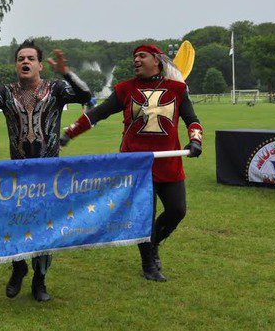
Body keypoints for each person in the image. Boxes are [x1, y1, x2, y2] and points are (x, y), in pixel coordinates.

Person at [60, 44, 203, 282]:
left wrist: (195, 141)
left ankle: (153, 243)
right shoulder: (125, 89)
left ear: (157, 60)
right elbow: (98, 113)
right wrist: (70, 133)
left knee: (177, 211)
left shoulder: (177, 89)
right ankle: (148, 264)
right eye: (134, 57)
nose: (136, 60)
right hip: (136, 165)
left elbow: (192, 120)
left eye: (142, 56)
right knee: (145, 216)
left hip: (169, 163)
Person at [0, 39, 92, 302]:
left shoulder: (56, 89)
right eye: (20, 58)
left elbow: (85, 95)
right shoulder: (5, 92)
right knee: (15, 223)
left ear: (40, 65)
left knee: (45, 226)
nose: (25, 62)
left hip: (48, 175)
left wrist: (67, 73)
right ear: (16, 65)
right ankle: (18, 267)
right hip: (18, 173)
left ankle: (39, 279)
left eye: (30, 58)